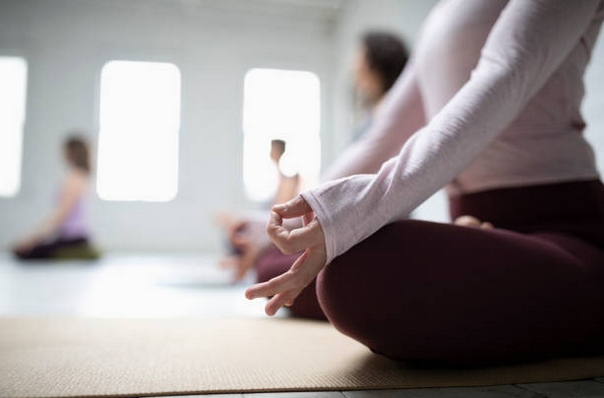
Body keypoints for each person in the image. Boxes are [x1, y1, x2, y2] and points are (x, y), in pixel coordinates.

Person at [246, 0, 604, 365]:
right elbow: (381, 139)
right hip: (478, 229)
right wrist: (282, 225)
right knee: (277, 266)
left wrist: (358, 208)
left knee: (354, 276)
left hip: (564, 229)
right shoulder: (444, 14)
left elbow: (505, 73)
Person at [219, 31, 410, 293]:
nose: (353, 66)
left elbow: (348, 181)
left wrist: (270, 228)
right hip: (350, 222)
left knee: (272, 268)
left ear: (368, 64)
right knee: (270, 261)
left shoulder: (391, 116)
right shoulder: (373, 117)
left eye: (358, 58)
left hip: (370, 229)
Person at [12, 135, 100, 260]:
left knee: (22, 252)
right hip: (70, 237)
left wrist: (31, 240)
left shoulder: (75, 178)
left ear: (71, 152)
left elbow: (60, 216)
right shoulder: (80, 176)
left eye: (64, 150)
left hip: (74, 239)